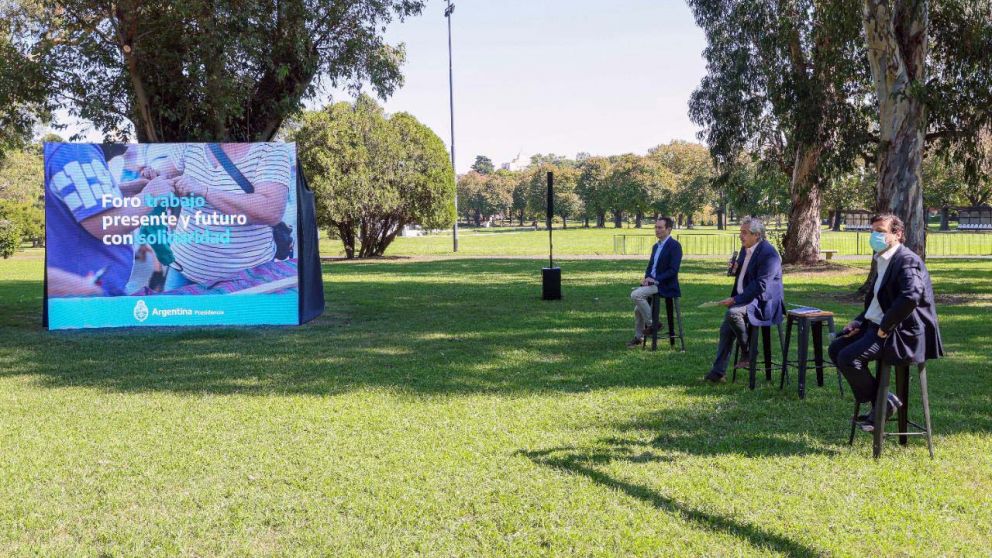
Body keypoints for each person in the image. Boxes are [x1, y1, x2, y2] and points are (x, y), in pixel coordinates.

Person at [828, 213, 943, 431]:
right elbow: (881, 300)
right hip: (876, 326)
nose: (874, 236)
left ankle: (883, 404)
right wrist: (858, 322)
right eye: (873, 231)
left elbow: (911, 296)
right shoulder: (883, 258)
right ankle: (883, 403)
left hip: (900, 332)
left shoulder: (906, 260)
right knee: (836, 348)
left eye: (880, 232)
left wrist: (884, 327)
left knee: (849, 358)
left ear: (897, 234)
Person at [147, 143, 291, 289]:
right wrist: (154, 176)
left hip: (244, 280)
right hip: (182, 270)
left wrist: (205, 191)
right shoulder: (190, 143)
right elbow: (164, 173)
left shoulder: (271, 149)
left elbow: (271, 211)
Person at [44, 143, 174, 296]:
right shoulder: (78, 151)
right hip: (86, 298)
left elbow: (79, 199)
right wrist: (151, 196)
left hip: (89, 294)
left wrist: (124, 190)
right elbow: (105, 224)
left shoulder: (74, 150)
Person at [705, 217, 785, 383]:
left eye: (744, 233)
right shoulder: (744, 249)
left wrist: (735, 300)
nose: (741, 236)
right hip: (745, 300)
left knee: (733, 314)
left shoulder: (769, 254)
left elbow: (761, 285)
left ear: (756, 235)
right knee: (726, 327)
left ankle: (749, 351)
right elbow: (745, 276)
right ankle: (718, 372)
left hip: (763, 302)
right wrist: (734, 270)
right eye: (740, 232)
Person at [627, 217, 683, 347]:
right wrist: (647, 278)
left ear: (668, 229)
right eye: (655, 227)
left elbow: (673, 270)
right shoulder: (655, 246)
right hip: (652, 284)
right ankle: (638, 337)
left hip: (665, 285)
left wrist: (656, 280)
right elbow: (650, 266)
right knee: (637, 309)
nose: (657, 230)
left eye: (660, 228)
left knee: (635, 295)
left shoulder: (675, 246)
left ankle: (653, 324)